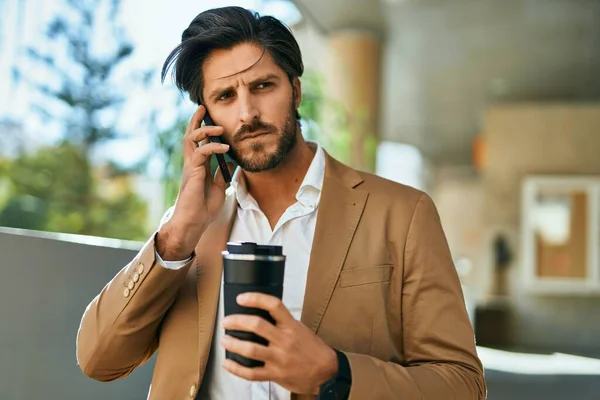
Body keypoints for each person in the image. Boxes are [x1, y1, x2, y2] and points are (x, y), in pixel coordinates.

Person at [76, 6, 486, 400]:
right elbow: (99, 360)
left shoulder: (402, 215)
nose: (247, 113)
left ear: (296, 90)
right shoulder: (186, 231)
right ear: (205, 119)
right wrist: (177, 235)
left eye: (262, 86)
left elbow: (462, 385)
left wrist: (334, 373)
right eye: (225, 96)